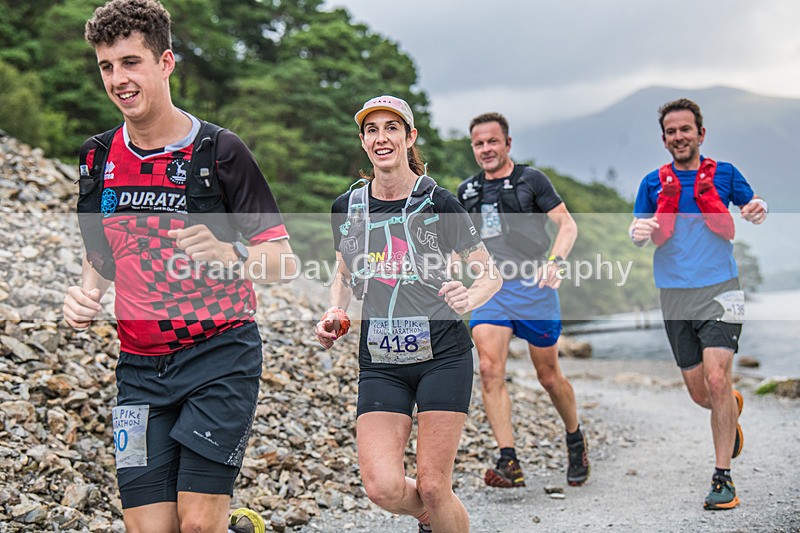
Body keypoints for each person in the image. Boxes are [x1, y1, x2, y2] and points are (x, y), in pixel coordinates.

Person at [62, 1, 296, 531]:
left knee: (195, 525)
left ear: (166, 62)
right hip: (139, 368)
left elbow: (283, 261)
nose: (118, 79)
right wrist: (86, 292)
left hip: (220, 358)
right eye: (106, 66)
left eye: (130, 62)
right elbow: (101, 255)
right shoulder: (96, 158)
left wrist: (232, 255)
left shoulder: (220, 152)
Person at [315, 95, 501, 533]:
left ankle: (436, 510)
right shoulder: (347, 207)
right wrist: (334, 310)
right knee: (382, 487)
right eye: (372, 130)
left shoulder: (439, 202)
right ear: (363, 142)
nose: (382, 138)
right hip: (381, 359)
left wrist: (469, 297)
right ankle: (429, 519)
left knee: (436, 485)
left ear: (409, 137)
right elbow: (343, 269)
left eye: (391, 128)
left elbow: (490, 274)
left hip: (443, 355)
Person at [629, 98, 767, 510]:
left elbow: (752, 206)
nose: (679, 137)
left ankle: (722, 478)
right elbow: (638, 229)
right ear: (664, 139)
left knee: (719, 380)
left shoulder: (724, 174)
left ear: (701, 134)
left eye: (685, 129)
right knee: (700, 392)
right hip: (674, 294)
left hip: (722, 289)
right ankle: (729, 409)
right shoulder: (652, 183)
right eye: (671, 132)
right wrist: (638, 232)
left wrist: (756, 209)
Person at [456, 112, 587, 489]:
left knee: (548, 376)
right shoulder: (467, 192)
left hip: (536, 288)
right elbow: (457, 246)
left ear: (507, 144)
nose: (486, 149)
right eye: (479, 143)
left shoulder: (532, 180)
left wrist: (556, 263)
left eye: (492, 141)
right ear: (473, 148)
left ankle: (575, 437)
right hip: (492, 290)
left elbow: (567, 224)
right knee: (489, 367)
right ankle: (508, 459)